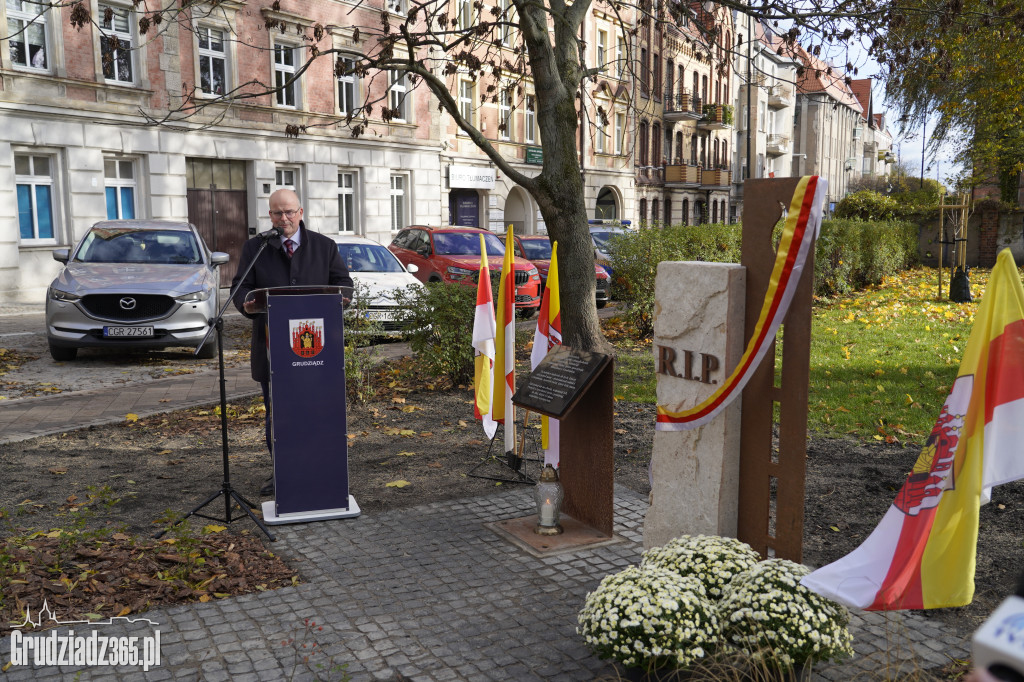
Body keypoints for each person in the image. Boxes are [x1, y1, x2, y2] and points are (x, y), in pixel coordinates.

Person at [232, 189, 353, 495]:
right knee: (278, 414)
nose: (282, 219)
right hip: (273, 352)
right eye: (276, 213)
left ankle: (318, 468)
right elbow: (240, 288)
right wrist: (246, 305)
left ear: (301, 212)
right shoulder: (256, 248)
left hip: (317, 354)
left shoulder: (324, 246)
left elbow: (343, 285)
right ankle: (282, 471)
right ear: (269, 215)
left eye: (288, 212)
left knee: (316, 411)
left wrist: (342, 301)